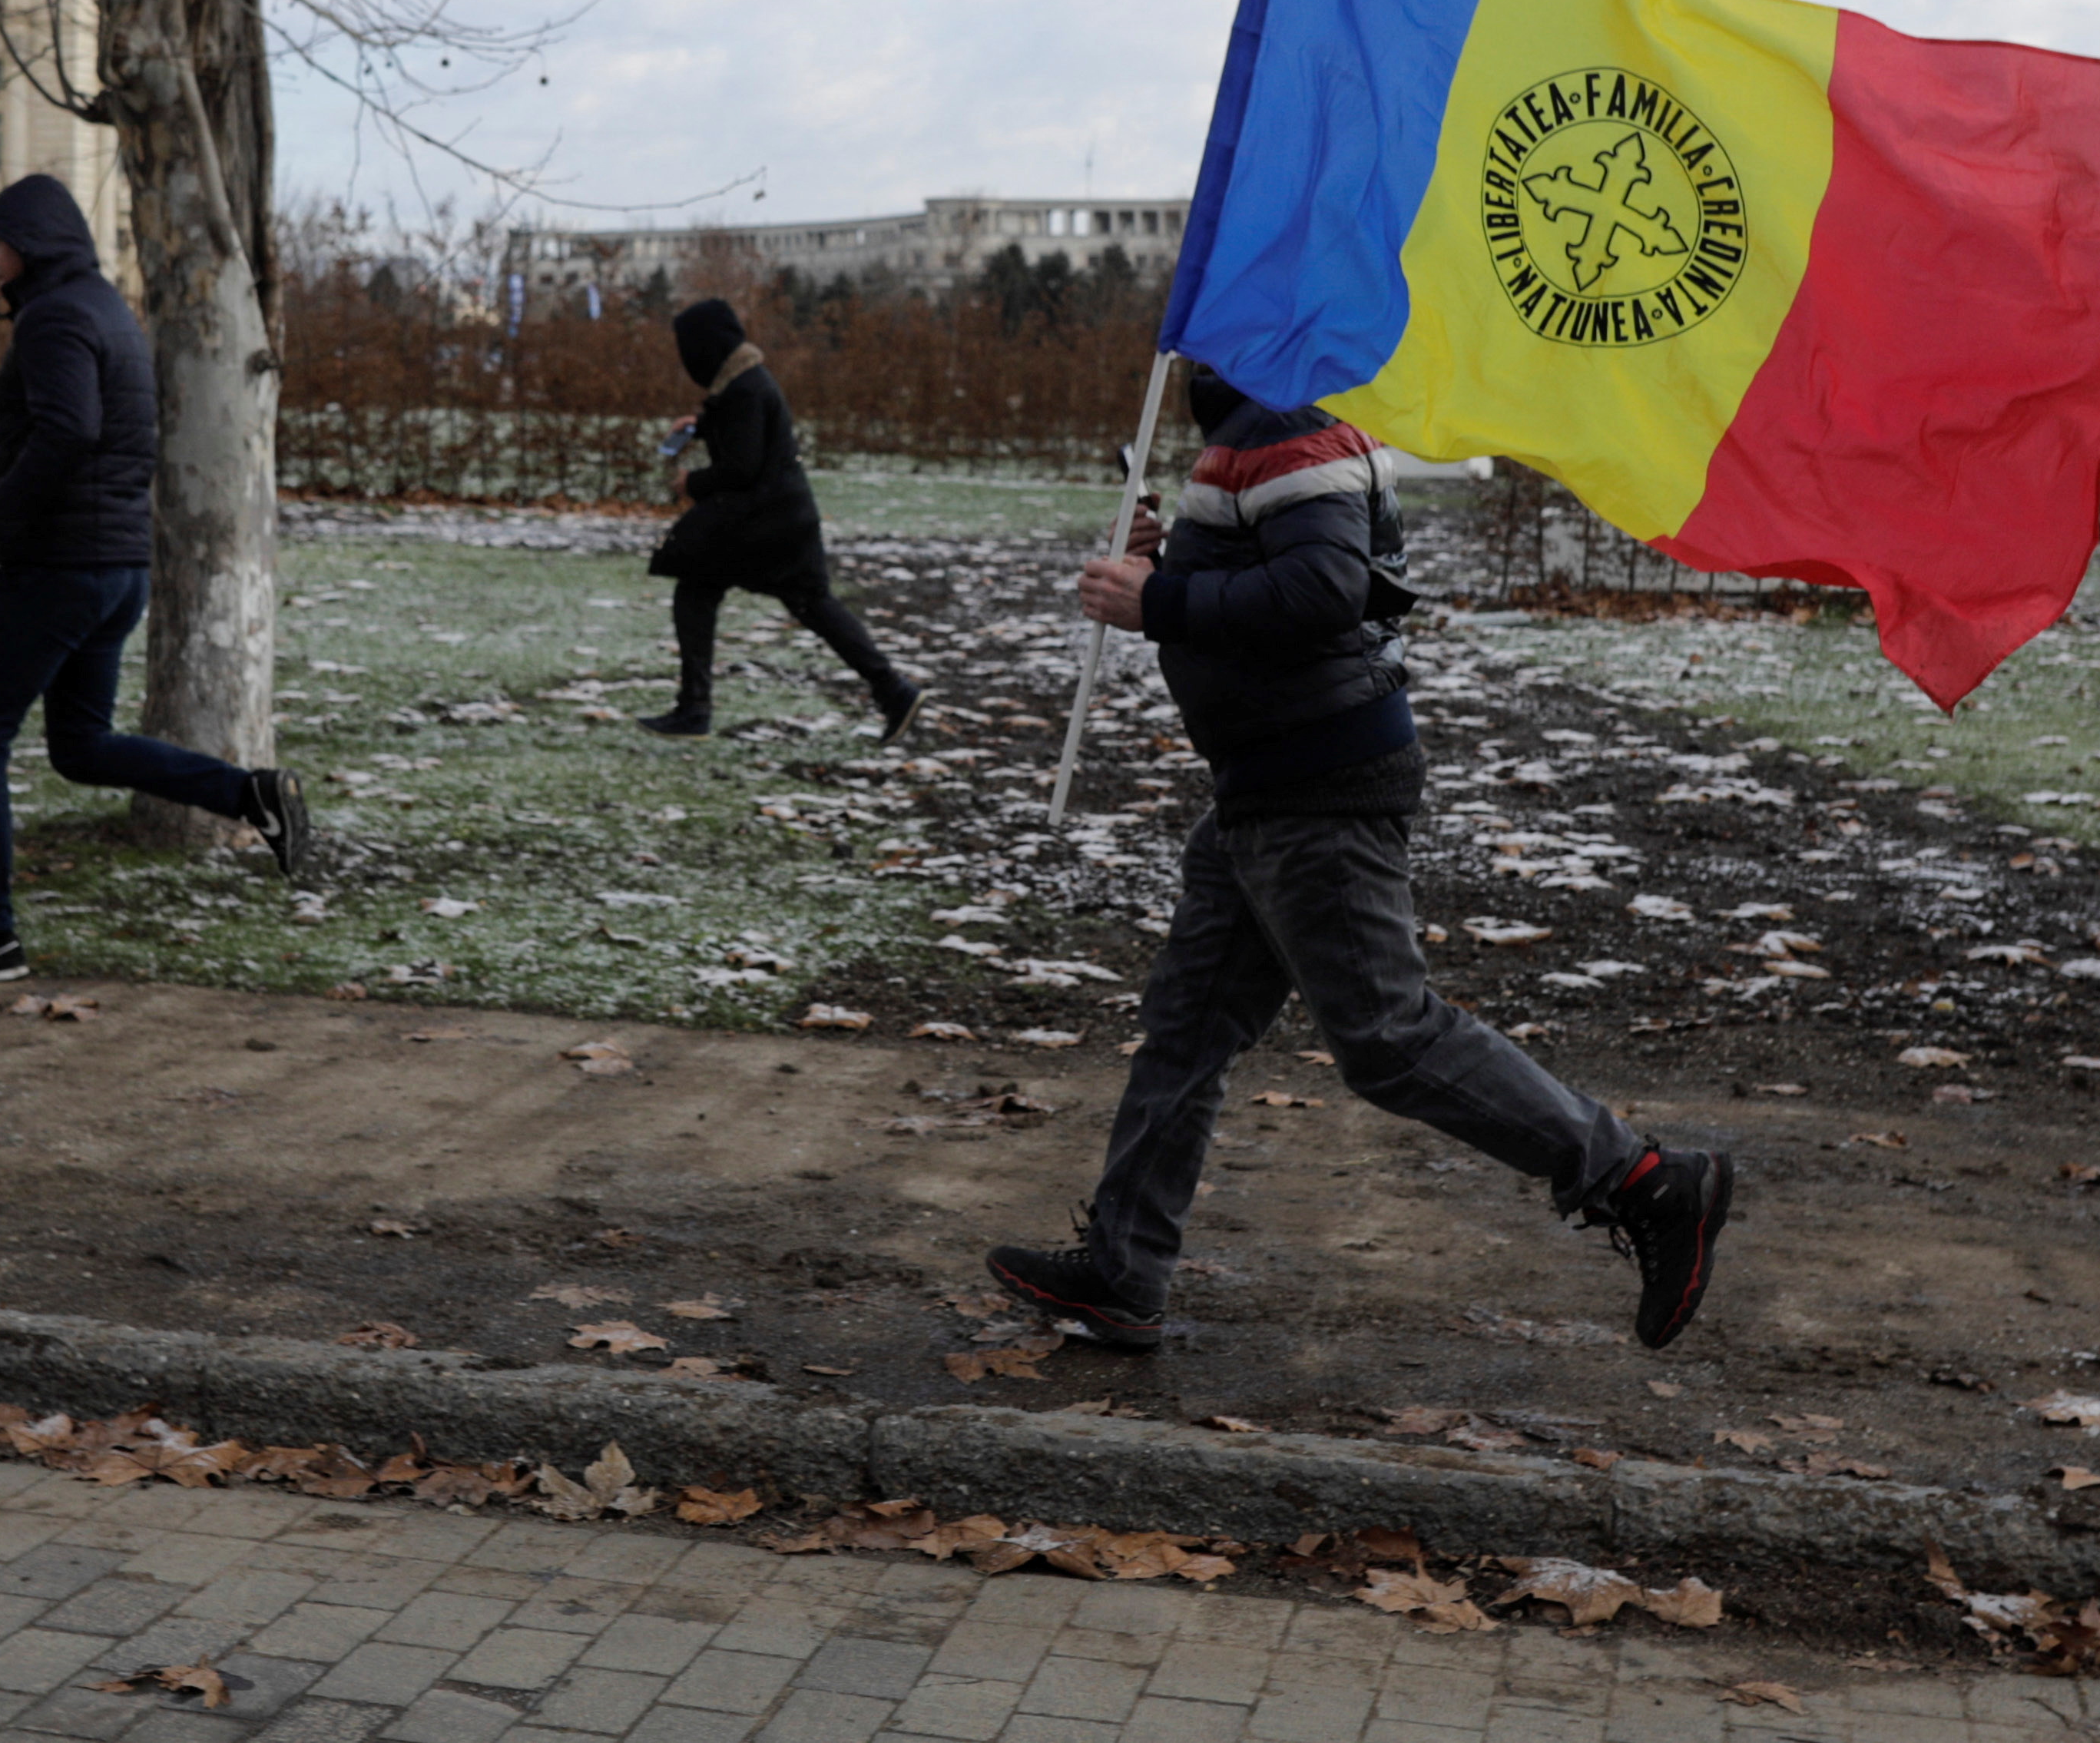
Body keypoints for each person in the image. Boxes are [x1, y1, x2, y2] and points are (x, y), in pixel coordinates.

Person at [987, 365, 1734, 1353]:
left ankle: (1645, 1182)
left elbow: (1325, 590)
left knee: (1389, 1037)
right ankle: (1124, 1270)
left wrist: (1161, 601)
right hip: (1260, 790)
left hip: (1318, 791)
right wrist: (1167, 565)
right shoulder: (1253, 424)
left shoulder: (1290, 414)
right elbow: (1271, 577)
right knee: (1186, 1029)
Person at [0, 174, 310, 982]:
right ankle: (251, 794)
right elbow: (99, 440)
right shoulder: (106, 311)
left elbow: (68, 433)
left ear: (36, 244)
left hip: (59, 572)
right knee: (81, 746)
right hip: (116, 568)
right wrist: (0, 488)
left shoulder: (54, 318)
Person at [639, 297, 921, 741]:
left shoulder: (744, 390)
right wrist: (701, 427)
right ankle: (893, 690)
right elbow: (747, 443)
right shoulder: (745, 383)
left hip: (764, 524)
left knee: (699, 589)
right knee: (810, 605)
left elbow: (742, 468)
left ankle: (695, 708)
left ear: (705, 346)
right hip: (785, 518)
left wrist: (691, 484)